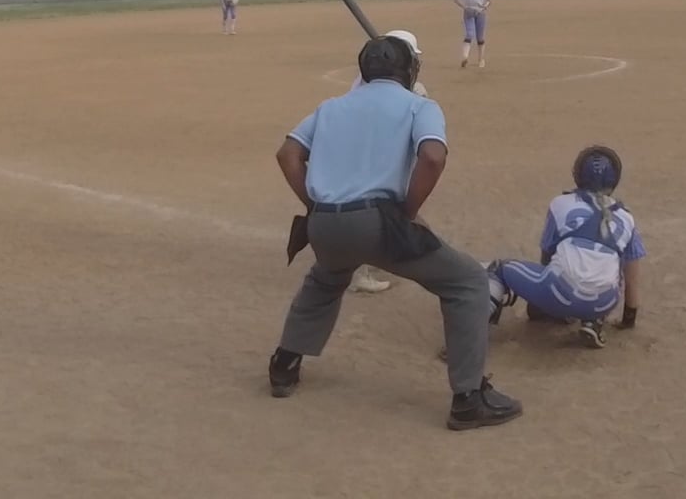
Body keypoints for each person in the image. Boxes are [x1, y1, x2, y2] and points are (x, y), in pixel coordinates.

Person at [267, 34, 522, 430]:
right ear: (410, 70)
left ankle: (284, 365)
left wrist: (315, 205)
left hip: (325, 224)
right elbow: (433, 157)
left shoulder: (332, 106)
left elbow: (288, 154)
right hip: (379, 222)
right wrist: (408, 211)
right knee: (468, 281)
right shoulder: (420, 106)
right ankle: (469, 399)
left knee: (327, 277)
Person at [486, 146, 645, 350]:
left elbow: (547, 256)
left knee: (499, 269)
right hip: (603, 303)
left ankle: (474, 328)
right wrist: (628, 320)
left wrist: (542, 303)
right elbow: (632, 280)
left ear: (578, 175)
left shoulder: (561, 204)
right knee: (613, 270)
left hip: (559, 292)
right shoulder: (627, 217)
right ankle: (593, 320)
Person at [339, 28, 433, 296]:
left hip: (367, 157)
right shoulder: (390, 88)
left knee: (382, 213)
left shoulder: (369, 80)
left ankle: (383, 254)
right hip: (369, 160)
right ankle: (358, 274)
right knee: (375, 211)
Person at [455, 0, 491, 69]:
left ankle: (481, 59)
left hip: (480, 13)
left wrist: (485, 5)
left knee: (480, 37)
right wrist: (465, 7)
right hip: (469, 13)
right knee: (469, 34)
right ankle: (465, 57)